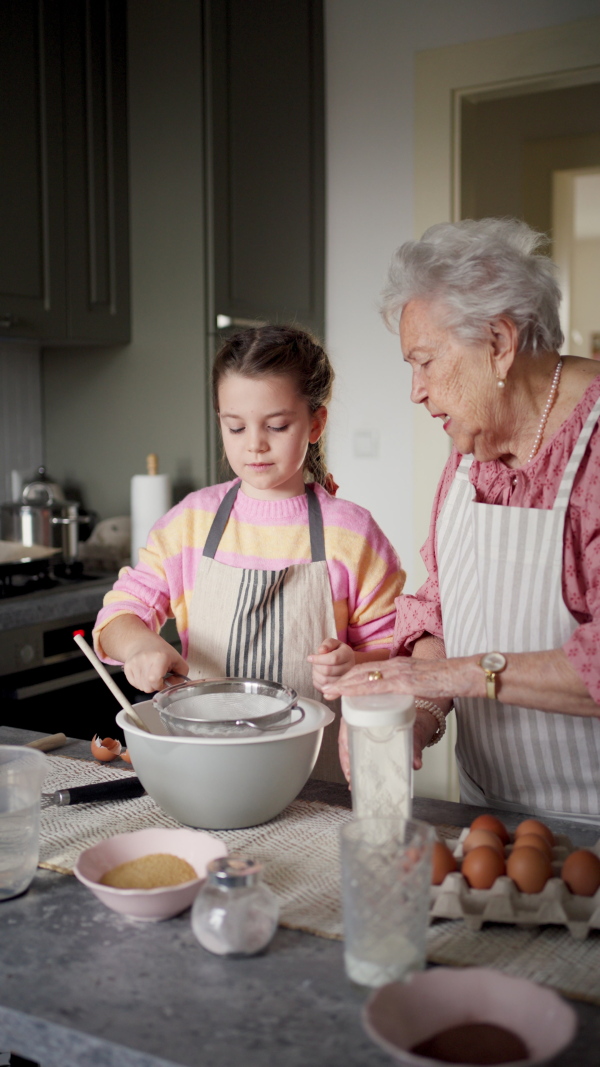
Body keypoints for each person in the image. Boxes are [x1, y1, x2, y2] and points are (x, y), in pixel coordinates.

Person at [323, 218, 600, 821]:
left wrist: (459, 676)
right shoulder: (471, 453)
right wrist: (416, 712)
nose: (415, 391)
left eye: (424, 362)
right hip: (492, 815)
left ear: (499, 342)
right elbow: (444, 610)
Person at [94, 325, 405, 780]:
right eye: (235, 426)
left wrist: (354, 663)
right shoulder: (191, 524)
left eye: (277, 426)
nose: (254, 443)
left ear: (315, 424)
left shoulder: (352, 534)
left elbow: (398, 653)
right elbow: (117, 616)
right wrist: (140, 644)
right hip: (205, 771)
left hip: (316, 781)